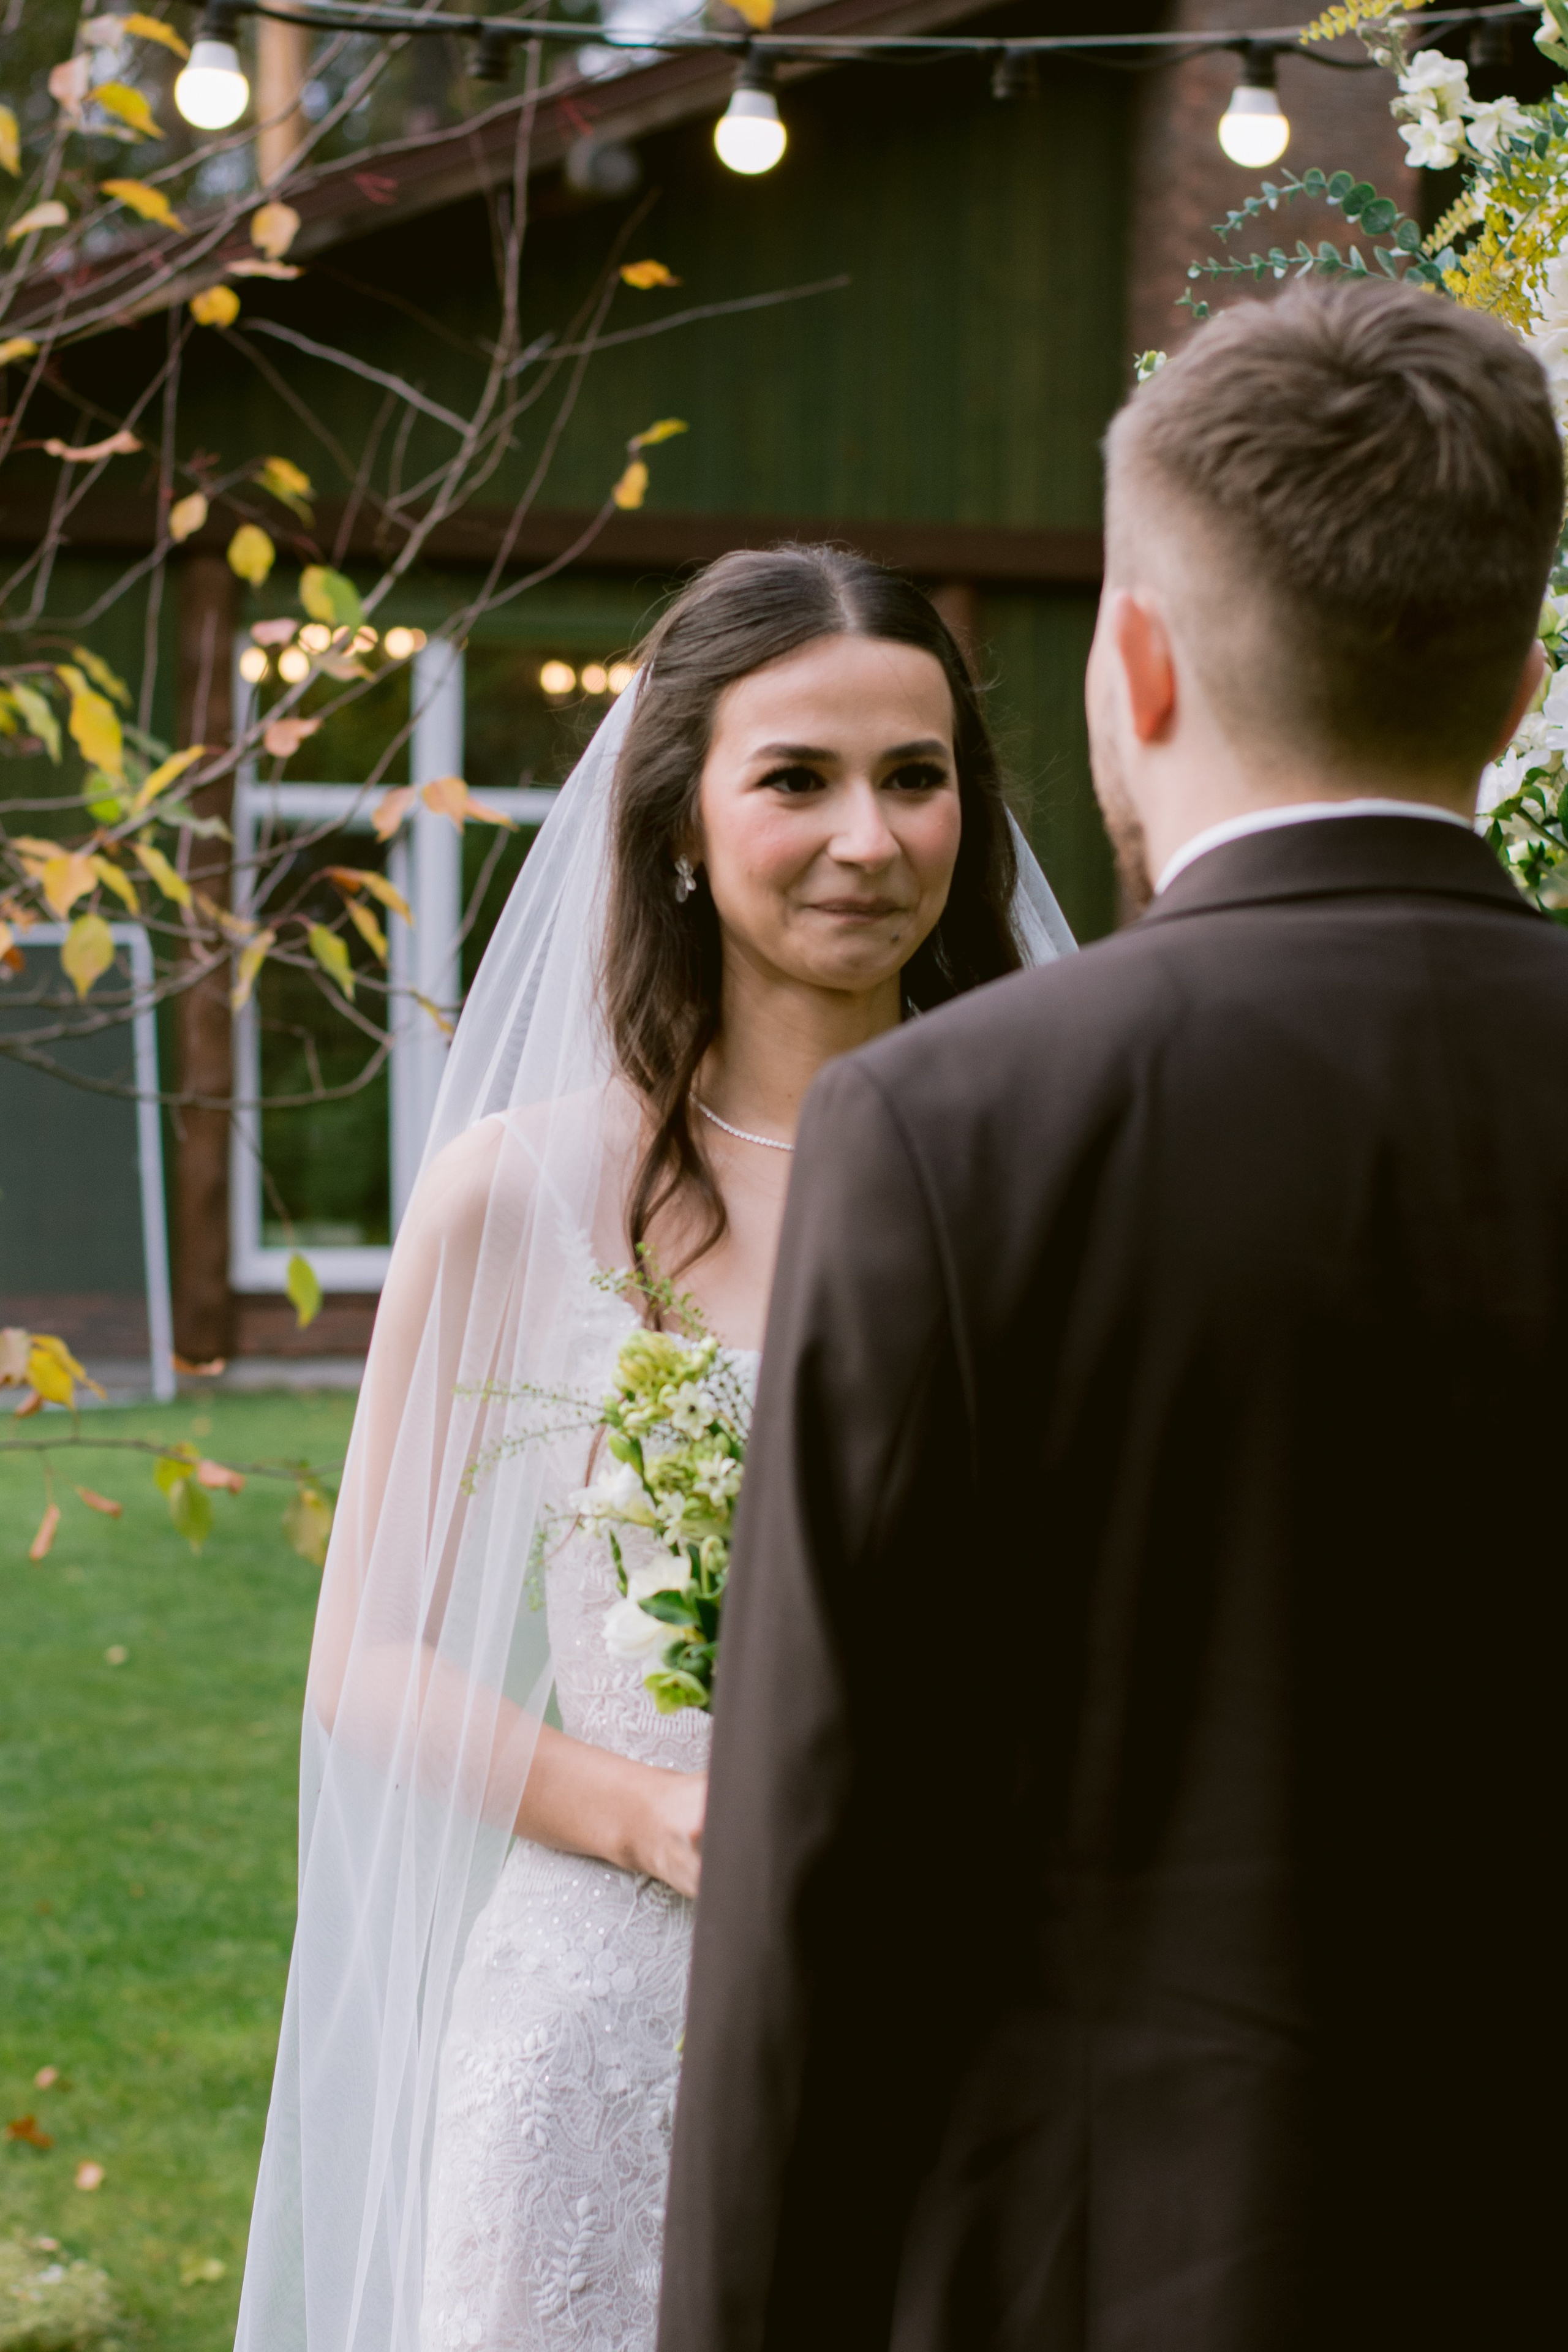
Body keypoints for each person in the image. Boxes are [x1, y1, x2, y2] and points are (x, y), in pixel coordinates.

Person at [658, 283, 1568, 2352]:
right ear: (1523, 687)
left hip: (1108, 2276)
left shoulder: (949, 1131)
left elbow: (812, 1860)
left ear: (1134, 663)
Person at [233, 544, 1074, 2352]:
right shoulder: (521, 1195)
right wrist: (659, 1821)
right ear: (682, 821)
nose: (871, 837)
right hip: (601, 2018)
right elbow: (369, 1660)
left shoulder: (1053, 1182)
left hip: (965, 2000)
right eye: (799, 779)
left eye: (916, 778)